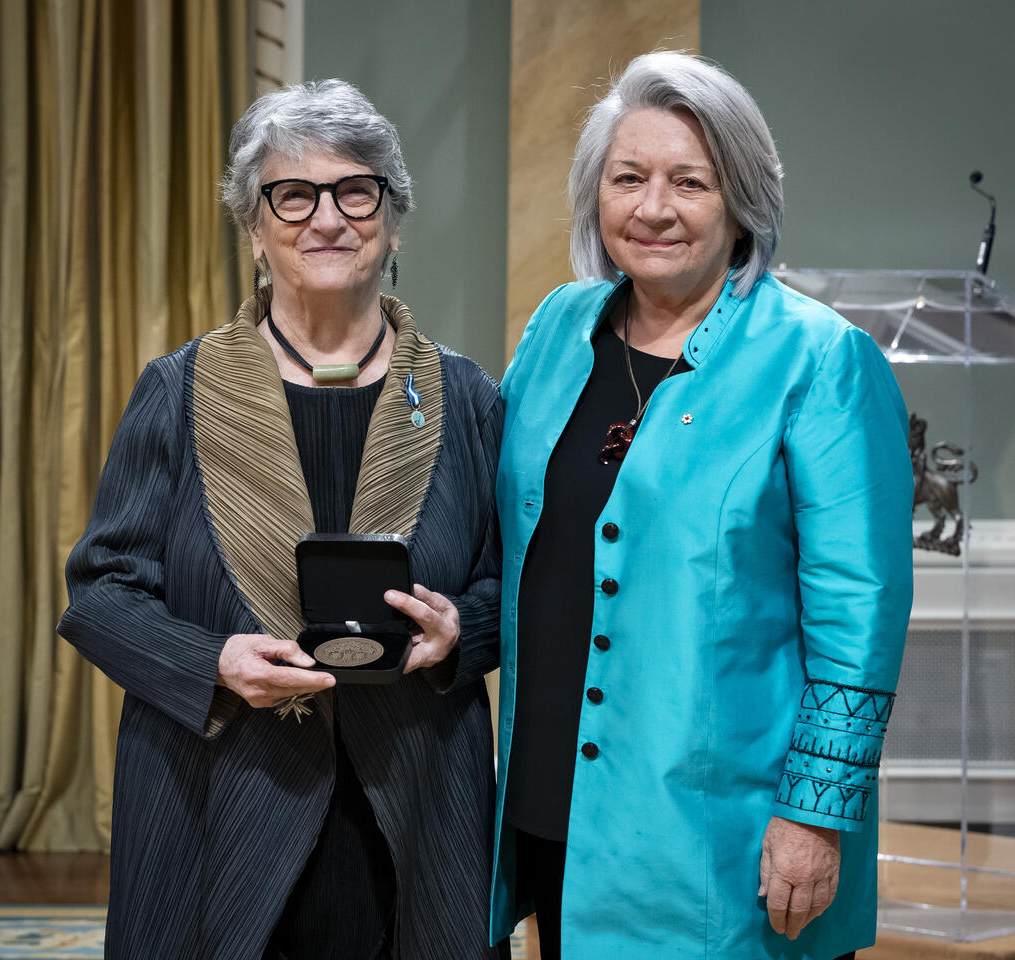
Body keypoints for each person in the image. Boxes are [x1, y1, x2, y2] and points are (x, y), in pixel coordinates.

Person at [59, 80, 505, 960]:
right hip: (218, 794)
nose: (327, 218)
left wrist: (463, 629)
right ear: (256, 231)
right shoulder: (178, 391)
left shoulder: (465, 396)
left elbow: (516, 582)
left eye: (356, 190)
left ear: (393, 217)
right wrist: (212, 661)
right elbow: (102, 592)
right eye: (292, 196)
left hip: (413, 793)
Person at [489, 52, 913, 960]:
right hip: (556, 807)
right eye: (628, 178)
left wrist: (815, 814)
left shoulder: (820, 360)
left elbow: (860, 613)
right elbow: (526, 542)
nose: (653, 209)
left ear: (743, 201)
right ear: (594, 195)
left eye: (691, 181)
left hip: (724, 833)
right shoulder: (558, 328)